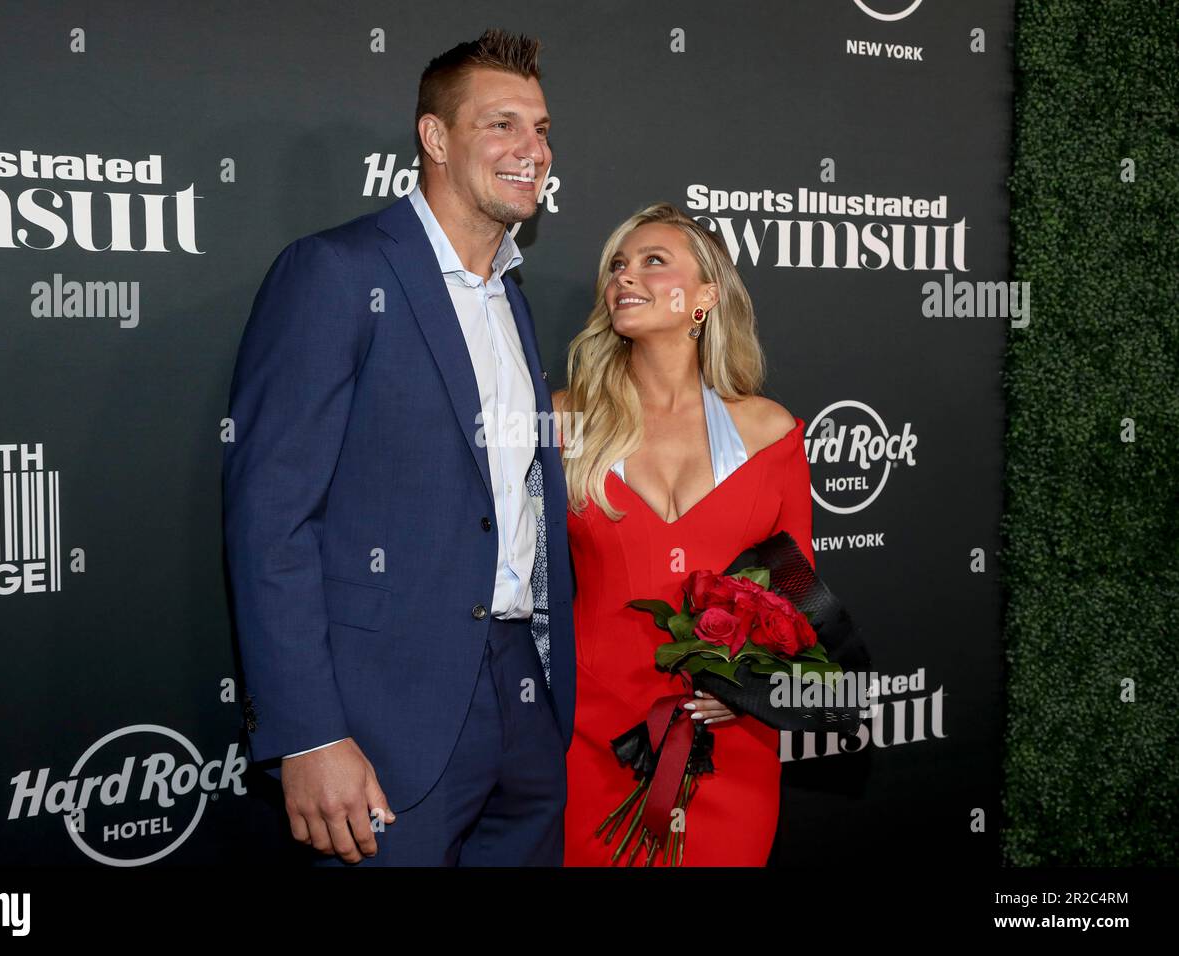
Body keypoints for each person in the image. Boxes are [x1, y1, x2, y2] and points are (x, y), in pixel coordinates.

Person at [222, 29, 574, 866]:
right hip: (383, 717)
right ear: (435, 138)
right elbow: (272, 517)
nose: (534, 150)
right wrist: (307, 733)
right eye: (503, 125)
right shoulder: (336, 272)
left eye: (543, 127)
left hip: (521, 695)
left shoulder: (508, 298)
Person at [551, 202, 814, 866]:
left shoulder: (768, 430)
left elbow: (800, 588)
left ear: (705, 296)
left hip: (729, 733)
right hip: (587, 730)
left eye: (652, 261)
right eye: (617, 265)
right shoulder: (564, 422)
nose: (625, 277)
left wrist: (750, 689)